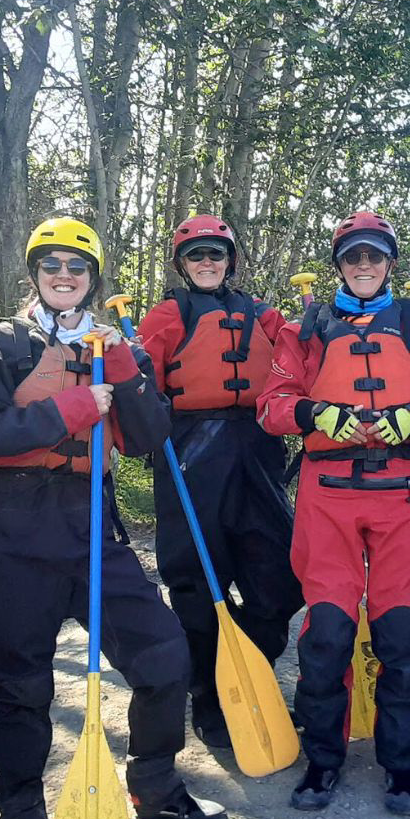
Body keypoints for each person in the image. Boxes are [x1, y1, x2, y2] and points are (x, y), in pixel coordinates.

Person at [0, 216, 225, 819]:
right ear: (35, 276)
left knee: (164, 652)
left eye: (77, 269)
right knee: (19, 688)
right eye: (53, 267)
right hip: (12, 528)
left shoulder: (110, 346)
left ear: (92, 280)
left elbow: (150, 434)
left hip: (89, 524)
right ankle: (22, 818)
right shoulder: (5, 342)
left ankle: (154, 784)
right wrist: (72, 410)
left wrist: (127, 368)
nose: (65, 277)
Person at [257, 211, 410, 815]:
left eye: (374, 256)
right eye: (353, 257)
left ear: (390, 262)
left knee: (402, 633)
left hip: (406, 491)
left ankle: (402, 765)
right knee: (327, 632)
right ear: (339, 264)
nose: (364, 265)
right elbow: (271, 406)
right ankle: (323, 760)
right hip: (328, 491)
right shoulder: (308, 328)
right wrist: (315, 414)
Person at [135, 214, 303, 750]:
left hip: (256, 449)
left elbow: (302, 359)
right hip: (190, 450)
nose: (207, 263)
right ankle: (210, 698)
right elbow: (138, 383)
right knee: (197, 583)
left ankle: (248, 673)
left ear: (231, 260)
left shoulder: (262, 315)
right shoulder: (168, 314)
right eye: (196, 255)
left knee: (279, 578)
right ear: (182, 264)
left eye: (217, 254)